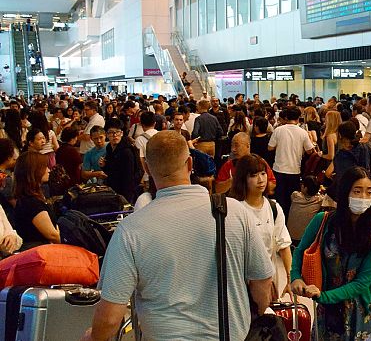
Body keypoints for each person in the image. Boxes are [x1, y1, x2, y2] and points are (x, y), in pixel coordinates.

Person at [82, 131, 274, 341]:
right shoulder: (234, 212)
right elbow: (262, 282)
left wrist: (93, 337)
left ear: (147, 168)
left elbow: (110, 318)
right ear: (190, 164)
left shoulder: (130, 229)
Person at [290, 166, 371, 340]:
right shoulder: (323, 221)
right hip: (326, 309)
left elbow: (362, 282)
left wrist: (324, 296)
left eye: (369, 192)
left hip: (358, 312)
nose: (363, 197)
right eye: (357, 191)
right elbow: (300, 251)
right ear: (345, 192)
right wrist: (296, 277)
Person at [229, 154, 292, 298]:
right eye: (253, 175)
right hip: (241, 283)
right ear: (243, 179)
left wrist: (290, 279)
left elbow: (284, 245)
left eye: (263, 173)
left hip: (269, 282)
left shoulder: (274, 208)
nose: (261, 179)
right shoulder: (235, 209)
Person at [268, 107, 315, 214]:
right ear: (298, 118)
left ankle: (279, 218)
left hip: (278, 169)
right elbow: (309, 151)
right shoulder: (303, 132)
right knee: (291, 200)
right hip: (294, 170)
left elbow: (270, 147)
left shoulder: (278, 130)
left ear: (286, 117)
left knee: (279, 199)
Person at [12, 151, 59, 251]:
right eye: (45, 167)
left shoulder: (29, 198)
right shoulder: (31, 202)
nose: (48, 170)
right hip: (41, 252)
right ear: (34, 171)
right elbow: (52, 235)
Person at [100, 119, 140, 203]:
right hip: (113, 189)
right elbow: (111, 170)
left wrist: (126, 200)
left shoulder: (126, 152)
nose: (115, 135)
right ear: (106, 134)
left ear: (121, 133)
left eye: (117, 132)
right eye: (111, 132)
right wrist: (104, 166)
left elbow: (129, 178)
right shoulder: (109, 148)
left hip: (125, 192)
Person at [287, 175, 323, 243]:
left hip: (290, 235)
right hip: (306, 238)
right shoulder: (319, 200)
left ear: (305, 188)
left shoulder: (295, 196)